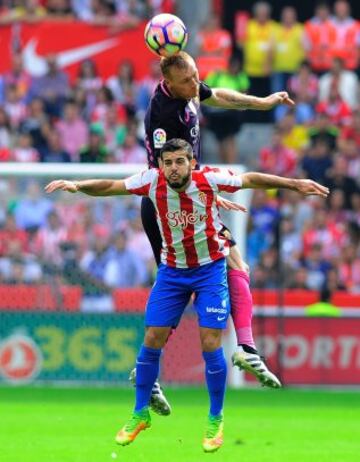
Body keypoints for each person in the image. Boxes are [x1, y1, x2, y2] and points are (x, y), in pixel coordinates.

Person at [45, 138, 329, 452]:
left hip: (209, 271)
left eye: (179, 162)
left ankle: (214, 419)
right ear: (161, 165)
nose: (174, 168)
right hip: (172, 272)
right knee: (152, 337)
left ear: (191, 163)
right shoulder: (151, 181)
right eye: (168, 163)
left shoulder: (208, 179)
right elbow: (112, 185)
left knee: (210, 341)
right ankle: (140, 413)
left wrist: (294, 184)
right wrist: (76, 184)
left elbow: (250, 179)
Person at [141, 50, 294, 414]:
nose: (196, 85)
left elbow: (218, 95)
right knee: (181, 285)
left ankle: (243, 349)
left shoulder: (185, 89)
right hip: (170, 206)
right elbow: (169, 174)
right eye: (188, 81)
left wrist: (261, 102)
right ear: (169, 83)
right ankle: (241, 348)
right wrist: (205, 192)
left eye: (196, 76)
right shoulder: (165, 116)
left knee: (230, 263)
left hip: (187, 200)